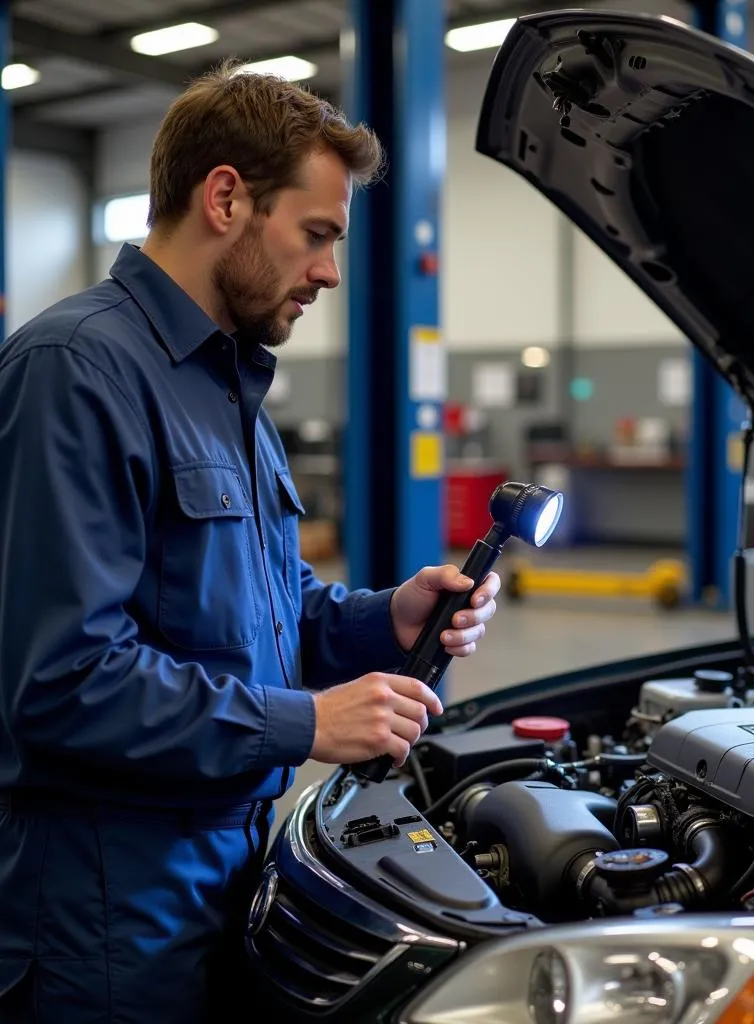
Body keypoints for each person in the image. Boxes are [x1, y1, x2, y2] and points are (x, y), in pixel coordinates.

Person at [0, 61, 500, 1022]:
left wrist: (376, 622)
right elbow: (58, 683)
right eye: (315, 235)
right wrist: (305, 725)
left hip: (223, 871)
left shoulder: (226, 381)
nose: (328, 272)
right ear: (225, 197)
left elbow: (260, 607)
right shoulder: (76, 371)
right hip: (102, 906)